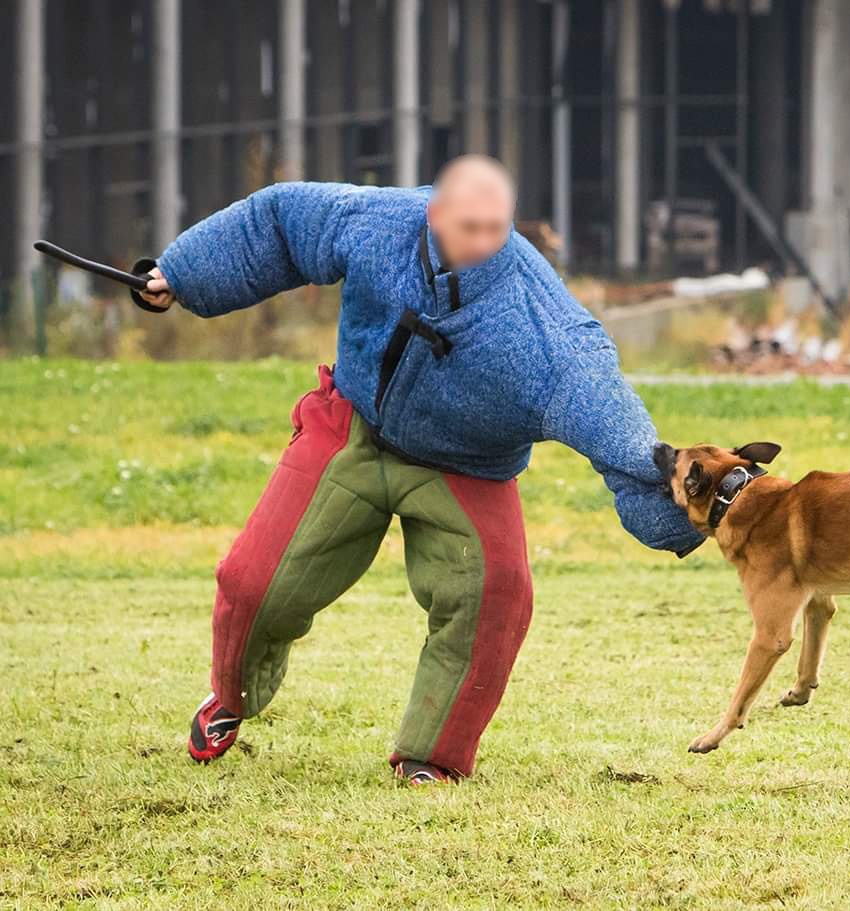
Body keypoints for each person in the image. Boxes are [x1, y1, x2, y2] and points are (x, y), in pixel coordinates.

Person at [136, 155, 703, 784]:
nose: (485, 244)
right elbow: (279, 223)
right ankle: (230, 699)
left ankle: (431, 758)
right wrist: (181, 275)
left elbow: (614, 423)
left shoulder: (544, 333)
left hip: (470, 467)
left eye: (497, 229)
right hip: (352, 427)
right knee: (255, 582)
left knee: (497, 597)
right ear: (434, 211)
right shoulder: (377, 222)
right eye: (470, 227)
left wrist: (694, 499)